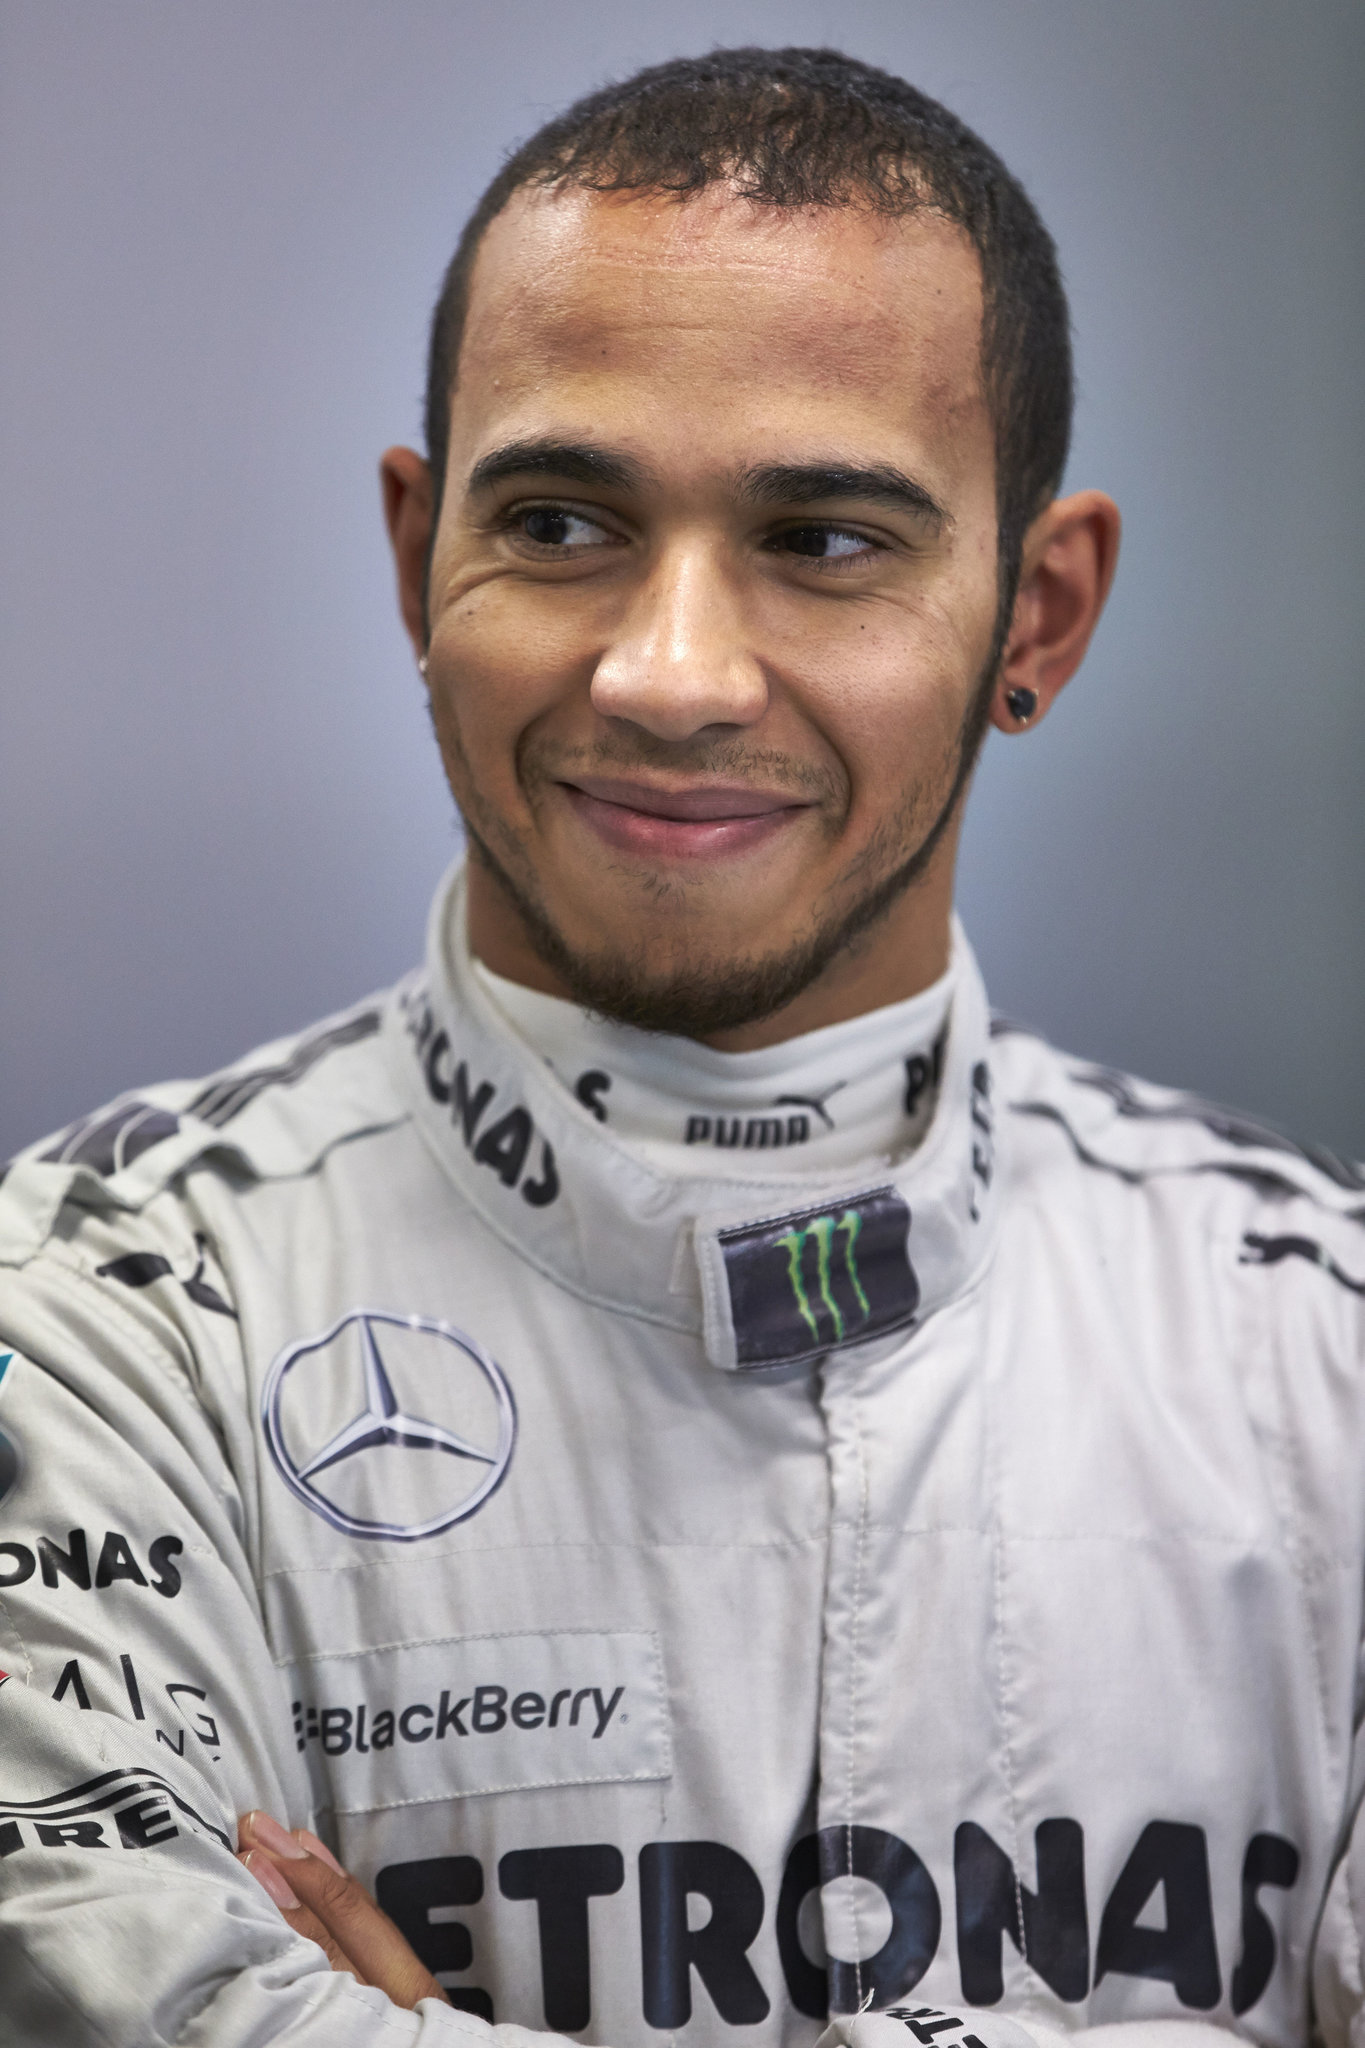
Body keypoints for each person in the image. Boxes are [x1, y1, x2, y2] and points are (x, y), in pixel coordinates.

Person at [0, 41, 1361, 2048]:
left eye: (825, 540)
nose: (667, 674)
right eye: (561, 522)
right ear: (415, 558)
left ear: (1035, 618)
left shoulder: (1321, 1340)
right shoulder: (93, 1325)